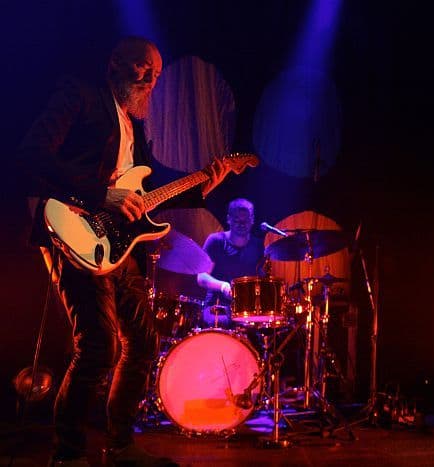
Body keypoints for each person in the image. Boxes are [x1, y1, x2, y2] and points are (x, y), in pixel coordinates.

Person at [16, 37, 232, 466]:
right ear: (115, 63)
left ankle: (119, 445)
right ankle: (68, 454)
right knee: (99, 344)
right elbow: (33, 154)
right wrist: (101, 194)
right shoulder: (80, 95)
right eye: (142, 68)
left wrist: (201, 185)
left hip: (117, 243)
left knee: (144, 341)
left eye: (156, 74)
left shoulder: (134, 126)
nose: (151, 79)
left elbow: (146, 196)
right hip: (71, 231)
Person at [196, 197, 266, 328]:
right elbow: (201, 277)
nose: (241, 224)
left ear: (252, 220)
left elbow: (261, 277)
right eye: (237, 220)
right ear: (229, 219)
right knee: (221, 323)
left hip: (247, 310)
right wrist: (223, 286)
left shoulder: (258, 246)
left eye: (245, 220)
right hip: (217, 307)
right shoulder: (216, 241)